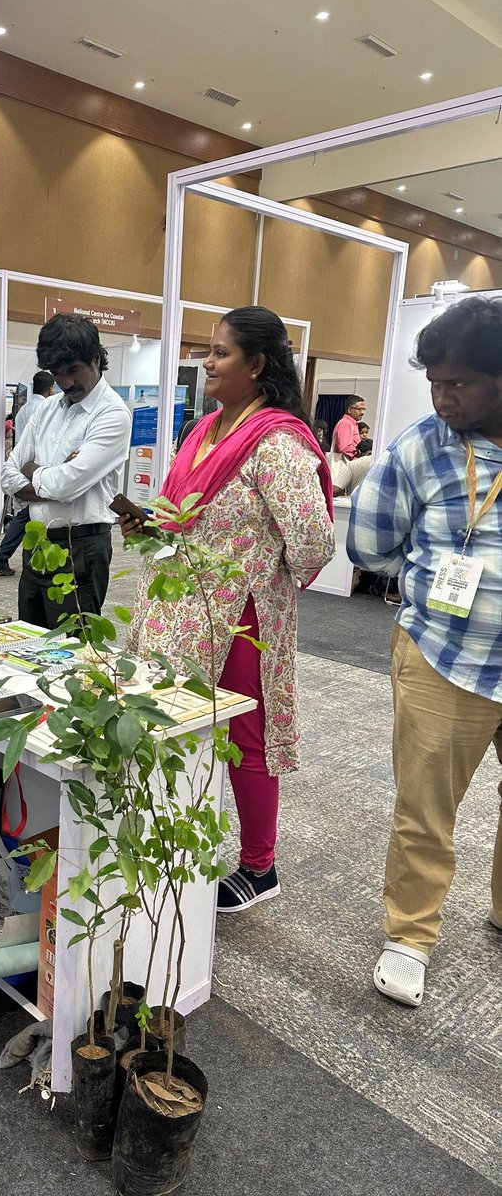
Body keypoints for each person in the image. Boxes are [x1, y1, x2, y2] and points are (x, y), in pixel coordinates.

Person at [121, 306, 335, 912]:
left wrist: (254, 567)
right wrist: (152, 522)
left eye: (220, 353)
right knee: (170, 721)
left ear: (257, 364)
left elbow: (314, 539)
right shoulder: (205, 430)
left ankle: (259, 865)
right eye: (207, 350)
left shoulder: (276, 441)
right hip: (176, 611)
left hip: (240, 618)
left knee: (247, 738)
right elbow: (180, 509)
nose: (206, 362)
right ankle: (169, 843)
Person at [347, 295, 502, 1008]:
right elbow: (369, 544)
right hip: (447, 654)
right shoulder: (421, 444)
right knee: (427, 806)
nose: (441, 397)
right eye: (434, 382)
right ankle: (409, 936)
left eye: (458, 383)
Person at [1, 313, 132, 629]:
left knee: (71, 653)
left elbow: (65, 486)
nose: (65, 382)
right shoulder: (46, 410)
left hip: (81, 546)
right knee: (29, 642)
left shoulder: (113, 415)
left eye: (73, 370)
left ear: (96, 359)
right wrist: (52, 473)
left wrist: (35, 471)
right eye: (57, 373)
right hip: (36, 543)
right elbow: (8, 474)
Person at [0, 371, 55, 577]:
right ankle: (2, 555)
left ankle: (3, 555)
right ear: (51, 388)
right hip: (35, 466)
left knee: (27, 512)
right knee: (31, 511)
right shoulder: (46, 408)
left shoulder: (24, 408)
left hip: (21, 462)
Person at [330, 395, 371, 494]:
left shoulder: (352, 424)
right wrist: (359, 455)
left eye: (364, 409)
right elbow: (345, 447)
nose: (362, 413)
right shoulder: (346, 423)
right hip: (343, 465)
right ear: (349, 409)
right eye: (359, 409)